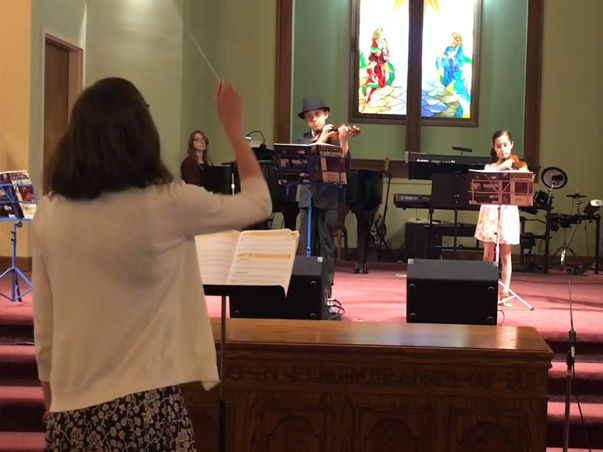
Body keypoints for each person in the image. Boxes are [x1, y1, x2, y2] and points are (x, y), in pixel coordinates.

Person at [33, 77, 271, 451]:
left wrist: (54, 405)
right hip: (146, 405)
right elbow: (259, 203)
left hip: (72, 408)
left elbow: (44, 327)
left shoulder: (49, 212)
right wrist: (234, 128)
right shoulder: (167, 205)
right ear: (141, 136)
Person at [295, 96, 350, 299]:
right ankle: (305, 289)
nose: (315, 119)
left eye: (318, 115)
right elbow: (305, 155)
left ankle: (326, 289)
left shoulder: (335, 138)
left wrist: (343, 139)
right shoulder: (301, 139)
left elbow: (344, 164)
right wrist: (322, 140)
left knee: (327, 244)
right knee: (306, 243)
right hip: (306, 198)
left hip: (327, 197)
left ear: (326, 115)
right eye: (310, 117)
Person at [474, 129, 529, 308]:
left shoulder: (519, 166)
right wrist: (500, 168)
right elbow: (486, 184)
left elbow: (525, 185)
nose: (503, 150)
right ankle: (484, 288)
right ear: (494, 148)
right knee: (488, 253)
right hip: (490, 212)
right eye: (498, 146)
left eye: (505, 145)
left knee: (506, 255)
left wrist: (515, 169)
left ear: (511, 145)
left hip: (508, 213)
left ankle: (505, 292)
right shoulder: (489, 168)